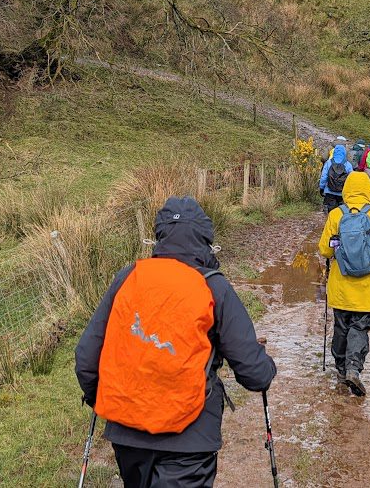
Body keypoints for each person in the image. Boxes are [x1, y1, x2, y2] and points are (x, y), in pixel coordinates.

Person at [75, 196, 276, 488]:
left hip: (128, 434)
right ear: (206, 240)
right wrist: (266, 368)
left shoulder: (128, 278)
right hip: (190, 441)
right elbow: (254, 374)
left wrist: (104, 399)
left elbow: (86, 358)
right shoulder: (214, 286)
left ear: (159, 237)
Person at [318, 171, 370, 396]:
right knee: (360, 327)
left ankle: (341, 370)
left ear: (346, 190)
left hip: (341, 286)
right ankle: (354, 369)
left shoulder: (336, 215)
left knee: (341, 326)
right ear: (368, 191)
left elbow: (324, 250)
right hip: (368, 287)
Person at [318, 143, 353, 213]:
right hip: (342, 192)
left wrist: (322, 187)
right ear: (344, 153)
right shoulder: (348, 164)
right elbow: (351, 179)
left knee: (331, 211)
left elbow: (324, 176)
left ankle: (330, 219)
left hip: (329, 191)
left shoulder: (328, 162)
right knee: (342, 212)